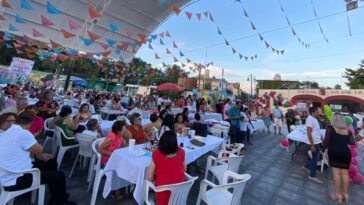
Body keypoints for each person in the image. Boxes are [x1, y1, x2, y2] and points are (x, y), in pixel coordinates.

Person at [0, 111, 76, 205]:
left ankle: (55, 190)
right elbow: (39, 149)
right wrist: (38, 152)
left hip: (6, 174)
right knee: (59, 175)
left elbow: (21, 150)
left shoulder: (6, 132)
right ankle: (58, 201)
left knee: (50, 162)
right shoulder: (23, 133)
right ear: (32, 122)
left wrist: (38, 154)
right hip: (16, 179)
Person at [322, 113, 355, 202]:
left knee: (336, 174)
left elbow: (326, 141)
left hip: (334, 152)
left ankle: (337, 195)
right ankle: (346, 195)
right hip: (345, 153)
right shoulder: (348, 130)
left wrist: (322, 149)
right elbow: (352, 142)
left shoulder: (330, 128)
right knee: (345, 174)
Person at [147, 130, 186, 205]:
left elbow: (149, 178)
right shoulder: (181, 151)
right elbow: (185, 168)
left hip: (163, 197)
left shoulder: (156, 154)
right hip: (179, 195)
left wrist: (159, 174)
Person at [303, 107, 324, 184]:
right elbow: (309, 133)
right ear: (312, 113)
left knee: (316, 158)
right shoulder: (310, 120)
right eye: (317, 112)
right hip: (314, 143)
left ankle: (306, 166)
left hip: (317, 141)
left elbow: (316, 130)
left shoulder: (314, 119)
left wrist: (321, 137)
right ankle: (312, 175)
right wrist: (312, 145)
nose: (319, 113)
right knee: (316, 158)